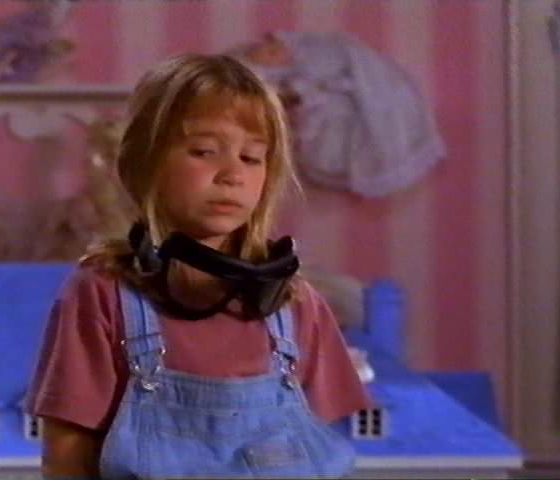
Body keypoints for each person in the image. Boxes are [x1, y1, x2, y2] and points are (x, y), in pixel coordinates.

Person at [26, 53, 370, 479]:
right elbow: (67, 459)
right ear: (145, 163)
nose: (231, 175)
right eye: (205, 151)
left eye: (251, 157)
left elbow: (322, 445)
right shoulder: (103, 294)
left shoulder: (296, 304)